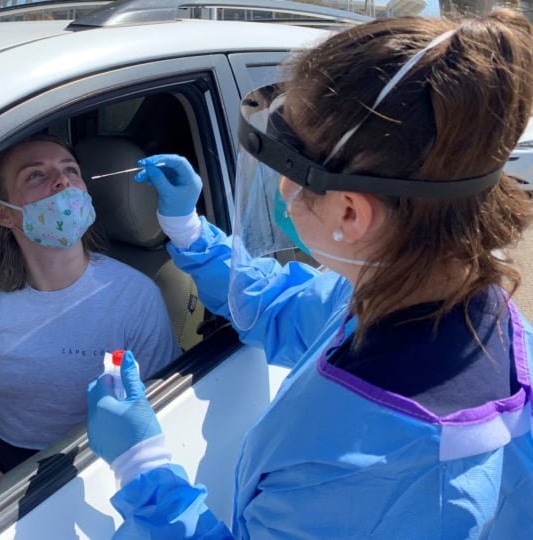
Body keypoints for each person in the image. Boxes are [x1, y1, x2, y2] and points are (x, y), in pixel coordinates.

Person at [87, 10, 533, 538]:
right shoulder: (419, 296)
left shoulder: (369, 469)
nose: (279, 190)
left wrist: (142, 469)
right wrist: (188, 230)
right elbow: (279, 305)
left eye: (286, 170)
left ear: (351, 212)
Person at [0, 135, 179, 491]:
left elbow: (161, 412)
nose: (62, 181)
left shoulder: (135, 295)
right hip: (2, 468)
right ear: (3, 213)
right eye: (36, 175)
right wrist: (10, 506)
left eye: (70, 170)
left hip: (106, 465)